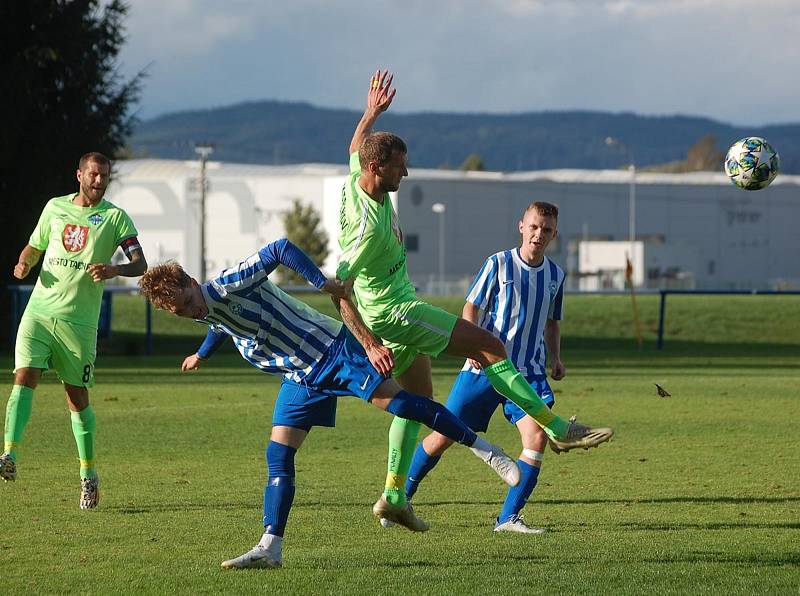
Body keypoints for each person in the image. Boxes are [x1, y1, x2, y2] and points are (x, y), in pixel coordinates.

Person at [336, 70, 613, 529]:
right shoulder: (368, 229)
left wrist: (371, 113)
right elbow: (338, 290)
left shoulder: (354, 180)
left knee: (417, 400)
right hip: (395, 313)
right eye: (400, 166)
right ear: (377, 168)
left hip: (388, 312)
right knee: (491, 347)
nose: (406, 172)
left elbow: (354, 146)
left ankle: (392, 494)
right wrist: (368, 343)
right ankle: (558, 426)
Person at [138, 238, 520, 569]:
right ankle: (271, 547)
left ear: (191, 282)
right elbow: (219, 326)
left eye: (189, 301)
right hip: (300, 376)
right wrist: (202, 354)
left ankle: (485, 450)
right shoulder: (205, 311)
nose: (193, 311)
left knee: (403, 405)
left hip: (332, 350)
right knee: (279, 455)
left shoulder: (227, 285)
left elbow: (280, 248)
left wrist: (322, 283)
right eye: (183, 313)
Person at [402, 201, 575, 534]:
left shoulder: (556, 276)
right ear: (522, 226)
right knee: (442, 437)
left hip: (528, 374)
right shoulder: (498, 264)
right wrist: (471, 343)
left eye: (547, 230)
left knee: (536, 437)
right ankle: (400, 497)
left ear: (554, 235)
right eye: (535, 226)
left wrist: (555, 358)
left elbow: (553, 323)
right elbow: (472, 306)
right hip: (483, 369)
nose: (539, 234)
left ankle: (508, 518)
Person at [0, 152, 148, 509]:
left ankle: (89, 474)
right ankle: (8, 455)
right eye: (94, 175)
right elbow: (34, 247)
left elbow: (140, 263)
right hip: (39, 311)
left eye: (105, 176)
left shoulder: (115, 218)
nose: (99, 181)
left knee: (76, 400)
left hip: (79, 323)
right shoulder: (54, 208)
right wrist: (24, 262)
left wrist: (115, 272)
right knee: (24, 376)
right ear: (79, 174)